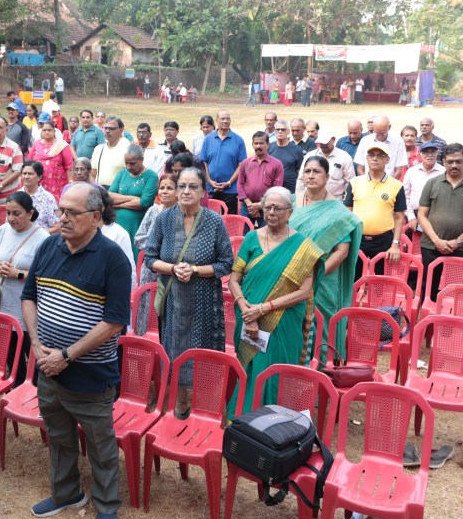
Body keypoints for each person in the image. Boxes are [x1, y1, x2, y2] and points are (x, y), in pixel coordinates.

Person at [20, 182, 131, 519]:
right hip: (48, 368)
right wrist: (37, 343)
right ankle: (67, 493)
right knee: (59, 435)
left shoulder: (112, 258)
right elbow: (29, 296)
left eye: (72, 212)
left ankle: (106, 505)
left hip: (90, 372)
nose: (63, 217)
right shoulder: (48, 246)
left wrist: (67, 355)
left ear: (96, 217)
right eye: (61, 210)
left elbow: (115, 321)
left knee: (100, 444)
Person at [144, 167, 233, 415]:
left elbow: (226, 263)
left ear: (203, 191)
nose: (186, 191)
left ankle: (207, 407)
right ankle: (181, 403)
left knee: (204, 352)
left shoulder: (214, 221)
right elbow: (149, 258)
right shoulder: (164, 219)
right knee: (175, 349)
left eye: (193, 186)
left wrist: (194, 270)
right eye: (181, 186)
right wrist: (173, 269)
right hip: (173, 300)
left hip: (204, 301)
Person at [228, 187, 324, 412]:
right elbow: (234, 279)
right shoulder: (251, 238)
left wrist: (262, 309)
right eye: (267, 207)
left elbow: (304, 292)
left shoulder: (303, 247)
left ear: (290, 212)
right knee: (250, 370)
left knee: (276, 374)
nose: (271, 212)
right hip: (248, 317)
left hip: (284, 320)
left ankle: (274, 422)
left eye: (277, 208)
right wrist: (247, 312)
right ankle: (243, 420)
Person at [291, 159, 362, 355]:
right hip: (288, 276)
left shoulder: (338, 212)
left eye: (316, 171)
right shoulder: (290, 201)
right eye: (307, 171)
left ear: (327, 177)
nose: (311, 175)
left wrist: (315, 275)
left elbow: (342, 251)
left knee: (320, 328)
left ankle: (319, 367)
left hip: (322, 280)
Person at [0, 191, 50, 384]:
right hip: (2, 303)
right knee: (11, 353)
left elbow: (47, 276)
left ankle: (35, 392)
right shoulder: (2, 231)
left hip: (28, 309)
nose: (11, 218)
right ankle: (16, 387)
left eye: (16, 213)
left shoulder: (43, 238)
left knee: (34, 354)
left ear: (30, 213)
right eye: (8, 213)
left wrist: (18, 274)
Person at [416, 143, 463, 301]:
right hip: (431, 245)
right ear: (443, 162)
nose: (454, 165)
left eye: (459, 161)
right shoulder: (432, 183)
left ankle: (451, 315)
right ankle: (427, 314)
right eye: (450, 162)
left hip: (461, 247)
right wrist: (436, 240)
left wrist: (458, 241)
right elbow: (421, 215)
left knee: (455, 289)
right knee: (428, 287)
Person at [344, 142, 406, 276]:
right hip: (357, 239)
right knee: (353, 279)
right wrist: (347, 240)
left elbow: (399, 218)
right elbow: (347, 213)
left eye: (380, 155)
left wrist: (395, 244)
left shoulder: (397, 185)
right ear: (367, 158)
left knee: (380, 281)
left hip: (383, 241)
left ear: (387, 160)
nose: (375, 158)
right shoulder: (355, 182)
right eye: (371, 155)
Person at [108, 145, 158, 259]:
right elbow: (109, 196)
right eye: (126, 163)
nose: (128, 166)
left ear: (142, 160)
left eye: (132, 163)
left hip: (136, 224)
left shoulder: (151, 176)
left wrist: (118, 203)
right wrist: (133, 198)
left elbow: (144, 203)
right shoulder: (122, 173)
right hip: (117, 222)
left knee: (131, 255)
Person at [200, 110, 245, 216]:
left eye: (227, 119)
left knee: (229, 219)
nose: (225, 121)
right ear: (216, 121)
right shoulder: (208, 139)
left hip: (230, 190)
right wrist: (209, 181)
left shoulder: (238, 140)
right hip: (211, 188)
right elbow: (203, 162)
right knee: (209, 218)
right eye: (222, 119)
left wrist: (229, 182)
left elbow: (241, 164)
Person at [238, 131, 285, 228]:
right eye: (256, 143)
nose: (258, 146)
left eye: (261, 143)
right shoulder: (245, 163)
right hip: (247, 207)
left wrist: (260, 205)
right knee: (244, 234)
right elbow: (240, 184)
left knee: (266, 234)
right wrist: (250, 205)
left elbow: (276, 189)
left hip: (267, 207)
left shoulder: (277, 164)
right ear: (252, 144)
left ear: (268, 144)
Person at [403, 141, 446, 246]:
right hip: (414, 216)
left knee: (434, 247)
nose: (430, 155)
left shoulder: (444, 172)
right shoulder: (412, 171)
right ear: (420, 154)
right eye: (426, 152)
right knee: (412, 248)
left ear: (437, 154)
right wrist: (411, 216)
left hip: (436, 217)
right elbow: (405, 196)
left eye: (433, 152)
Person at [296, 128, 355, 201]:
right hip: (310, 200)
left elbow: (351, 182)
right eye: (321, 143)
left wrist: (346, 201)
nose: (323, 145)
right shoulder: (310, 155)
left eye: (326, 143)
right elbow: (301, 179)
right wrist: (299, 199)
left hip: (335, 200)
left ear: (333, 140)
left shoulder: (344, 157)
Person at [0, 117, 25, 205]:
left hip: (9, 199)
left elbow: (17, 172)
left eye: (0, 127)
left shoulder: (14, 148)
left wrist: (1, 185)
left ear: (6, 130)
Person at [19, 161, 61, 233]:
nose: (26, 177)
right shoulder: (17, 196)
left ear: (39, 177)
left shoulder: (48, 198)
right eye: (24, 173)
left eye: (30, 174)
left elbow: (57, 226)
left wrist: (39, 236)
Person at [90, 116, 130, 189]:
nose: (107, 131)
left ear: (121, 130)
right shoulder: (98, 149)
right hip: (99, 190)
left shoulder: (127, 149)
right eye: (106, 128)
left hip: (118, 191)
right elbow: (93, 175)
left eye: (111, 129)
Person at [268, 120, 304, 193]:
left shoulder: (297, 149)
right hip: (273, 188)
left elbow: (300, 171)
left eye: (283, 129)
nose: (280, 131)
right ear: (275, 131)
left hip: (291, 189)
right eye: (278, 129)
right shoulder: (269, 147)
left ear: (288, 131)